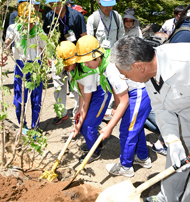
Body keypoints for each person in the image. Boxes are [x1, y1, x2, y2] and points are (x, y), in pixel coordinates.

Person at [110, 35, 190, 202]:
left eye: (125, 75)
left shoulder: (185, 63)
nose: (125, 79)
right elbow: (161, 109)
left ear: (138, 66)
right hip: (184, 117)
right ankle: (166, 199)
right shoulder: (148, 74)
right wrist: (174, 141)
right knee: (176, 163)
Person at [75, 35, 152, 176]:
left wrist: (109, 126)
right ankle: (142, 157)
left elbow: (124, 100)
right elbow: (118, 91)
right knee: (136, 127)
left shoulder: (109, 68)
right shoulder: (105, 61)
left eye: (86, 62)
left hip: (138, 93)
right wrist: (116, 107)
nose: (85, 65)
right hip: (132, 93)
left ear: (96, 56)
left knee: (127, 130)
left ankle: (126, 167)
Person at [57, 38, 109, 163]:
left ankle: (94, 152)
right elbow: (81, 92)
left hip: (101, 94)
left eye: (65, 63)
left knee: (87, 124)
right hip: (88, 92)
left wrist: (80, 122)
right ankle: (95, 143)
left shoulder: (87, 71)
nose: (63, 67)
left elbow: (86, 99)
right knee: (82, 118)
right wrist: (79, 111)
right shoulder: (74, 69)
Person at [0, 2, 46, 130]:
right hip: (20, 66)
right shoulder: (13, 29)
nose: (30, 24)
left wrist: (47, 62)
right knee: (19, 100)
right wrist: (3, 54)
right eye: (27, 21)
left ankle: (35, 127)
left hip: (36, 66)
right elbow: (7, 43)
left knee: (36, 100)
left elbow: (44, 48)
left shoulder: (39, 30)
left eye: (32, 21)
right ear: (20, 18)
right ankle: (22, 126)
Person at [43, 0, 87, 124]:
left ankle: (78, 114)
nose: (54, 6)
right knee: (58, 86)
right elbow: (47, 38)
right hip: (58, 58)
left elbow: (83, 38)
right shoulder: (49, 17)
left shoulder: (76, 16)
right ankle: (61, 113)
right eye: (51, 4)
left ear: (63, 0)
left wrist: (81, 59)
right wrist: (48, 55)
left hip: (74, 58)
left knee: (76, 87)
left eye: (56, 3)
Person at [87, 0, 125, 121]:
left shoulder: (117, 17)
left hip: (114, 55)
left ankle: (111, 108)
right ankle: (102, 108)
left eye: (110, 5)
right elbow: (90, 41)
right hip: (99, 57)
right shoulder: (93, 19)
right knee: (101, 83)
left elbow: (121, 37)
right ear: (98, 2)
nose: (108, 8)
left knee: (114, 81)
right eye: (105, 5)